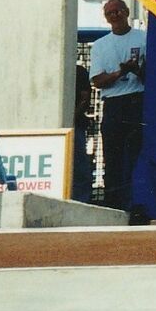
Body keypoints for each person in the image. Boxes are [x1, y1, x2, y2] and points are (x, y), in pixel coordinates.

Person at [89, 0, 147, 218]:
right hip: (113, 103)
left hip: (136, 101)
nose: (114, 16)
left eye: (118, 11)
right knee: (112, 158)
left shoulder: (143, 38)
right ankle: (113, 206)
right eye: (109, 13)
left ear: (126, 12)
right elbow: (97, 80)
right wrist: (120, 73)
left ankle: (136, 204)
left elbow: (150, 75)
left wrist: (136, 70)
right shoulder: (101, 45)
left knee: (135, 156)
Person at [69, 61, 95, 204]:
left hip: (76, 125)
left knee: (80, 169)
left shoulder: (79, 71)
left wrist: (72, 117)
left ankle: (81, 202)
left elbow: (85, 99)